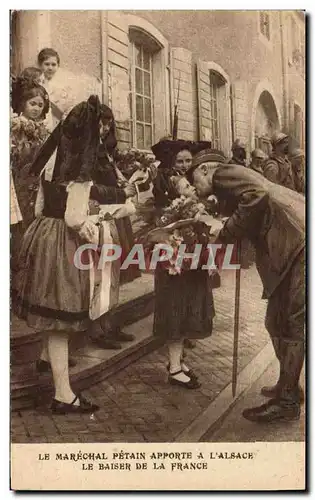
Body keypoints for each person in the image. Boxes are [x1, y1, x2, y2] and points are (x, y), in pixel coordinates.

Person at [13, 95, 133, 413]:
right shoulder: (79, 169)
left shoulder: (51, 161)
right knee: (60, 319)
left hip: (41, 234)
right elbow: (75, 218)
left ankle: (43, 359)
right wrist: (90, 230)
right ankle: (63, 395)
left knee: (49, 308)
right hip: (63, 242)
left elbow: (39, 206)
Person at [187, 151, 305, 422]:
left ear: (205, 170)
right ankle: (288, 386)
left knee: (291, 322)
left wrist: (227, 230)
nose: (195, 188)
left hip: (298, 244)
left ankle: (286, 402)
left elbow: (257, 197)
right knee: (276, 321)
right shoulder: (236, 176)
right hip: (292, 245)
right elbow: (252, 200)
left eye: (195, 180)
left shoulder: (223, 173)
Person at [151, 139, 216, 389]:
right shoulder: (168, 182)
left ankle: (178, 361)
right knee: (176, 307)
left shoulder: (193, 184)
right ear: (171, 162)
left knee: (190, 305)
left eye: (189, 161)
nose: (185, 165)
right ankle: (174, 367)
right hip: (174, 254)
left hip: (192, 254)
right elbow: (164, 218)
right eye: (180, 161)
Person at [88, 103, 138, 349]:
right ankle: (97, 328)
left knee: (113, 271)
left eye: (108, 123)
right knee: (102, 272)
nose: (105, 127)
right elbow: (90, 187)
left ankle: (109, 323)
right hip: (100, 215)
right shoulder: (87, 151)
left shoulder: (104, 151)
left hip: (115, 214)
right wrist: (120, 191)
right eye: (101, 122)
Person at [37, 48, 75, 132]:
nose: (50, 68)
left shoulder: (64, 86)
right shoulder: (37, 82)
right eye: (46, 64)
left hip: (58, 125)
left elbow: (69, 108)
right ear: (40, 65)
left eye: (53, 65)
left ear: (58, 66)